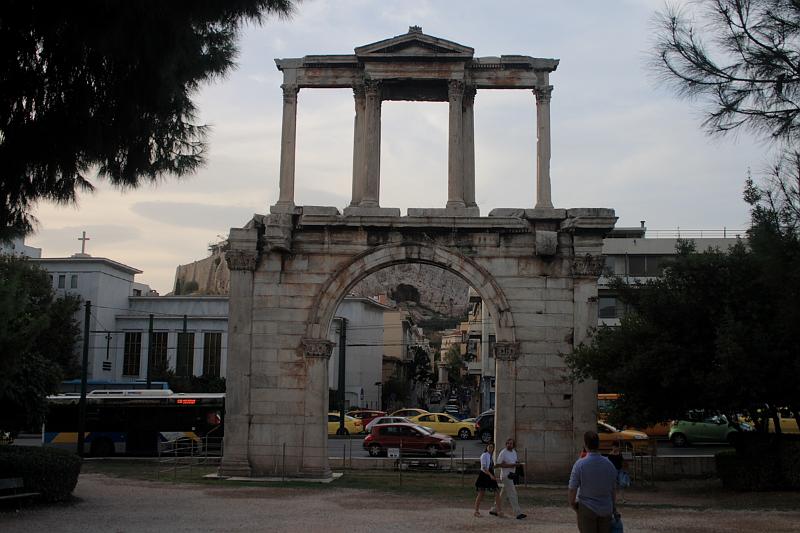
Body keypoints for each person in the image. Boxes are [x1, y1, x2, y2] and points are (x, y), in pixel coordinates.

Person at [568, 431, 618, 533]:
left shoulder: (579, 465)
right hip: (605, 508)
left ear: (585, 445)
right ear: (598, 444)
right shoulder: (609, 464)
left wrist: (573, 504)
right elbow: (613, 489)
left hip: (587, 507)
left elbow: (572, 488)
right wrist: (613, 507)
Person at [490, 437, 526, 520]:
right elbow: (498, 465)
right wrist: (511, 465)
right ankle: (518, 513)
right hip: (506, 475)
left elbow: (515, 462)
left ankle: (494, 509)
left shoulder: (514, 452)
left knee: (504, 493)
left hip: (511, 475)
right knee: (513, 493)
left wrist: (517, 464)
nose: (509, 445)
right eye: (508, 443)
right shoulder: (503, 452)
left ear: (513, 445)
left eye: (511, 443)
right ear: (506, 444)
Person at [473, 443, 501, 517]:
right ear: (487, 447)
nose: (491, 448)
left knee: (497, 491)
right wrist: (491, 475)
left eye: (492, 447)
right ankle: (476, 511)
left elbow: (490, 466)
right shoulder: (484, 455)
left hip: (490, 474)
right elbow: (484, 467)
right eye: (490, 447)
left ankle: (498, 510)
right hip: (484, 475)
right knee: (481, 493)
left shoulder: (491, 456)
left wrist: (497, 466)